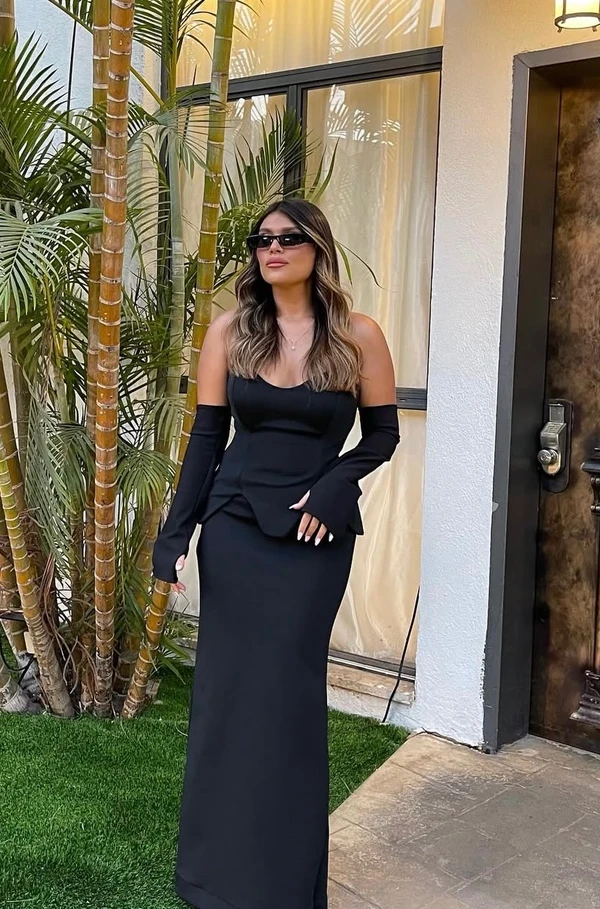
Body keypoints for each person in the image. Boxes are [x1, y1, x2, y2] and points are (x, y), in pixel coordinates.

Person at [152, 198, 400, 909]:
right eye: (262, 240)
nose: (273, 249)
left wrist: (336, 485)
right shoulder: (230, 332)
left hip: (314, 541)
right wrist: (174, 537)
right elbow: (206, 440)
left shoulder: (358, 335)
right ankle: (213, 880)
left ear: (317, 248)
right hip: (234, 529)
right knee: (226, 699)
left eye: (288, 238)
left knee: (288, 702)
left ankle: (284, 885)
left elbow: (382, 435)